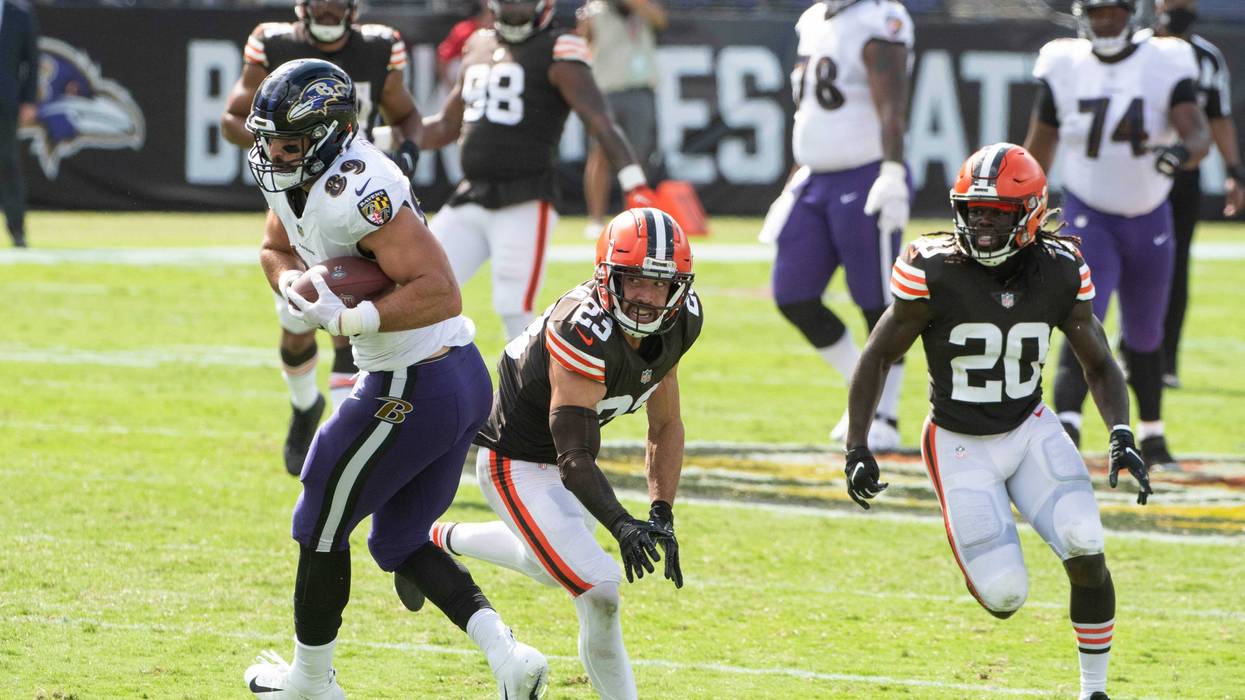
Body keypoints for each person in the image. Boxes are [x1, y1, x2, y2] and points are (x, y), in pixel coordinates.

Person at [239, 59, 547, 700]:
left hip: (417, 380)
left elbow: (443, 290)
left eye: (288, 143)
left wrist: (350, 316)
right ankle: (509, 655)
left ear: (327, 135)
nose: (274, 155)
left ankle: (310, 683)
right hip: (450, 380)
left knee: (320, 512)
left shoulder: (361, 187)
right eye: (268, 142)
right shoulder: (296, 173)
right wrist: (293, 288)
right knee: (398, 538)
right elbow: (275, 247)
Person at [844, 143, 1153, 700]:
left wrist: (1121, 432)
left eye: (998, 212)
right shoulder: (932, 269)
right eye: (975, 209)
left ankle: (1095, 690)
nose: (983, 223)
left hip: (1030, 427)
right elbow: (876, 354)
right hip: (960, 443)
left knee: (1086, 544)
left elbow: (1100, 362)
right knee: (1006, 597)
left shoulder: (1061, 269)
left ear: (1029, 213)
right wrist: (857, 445)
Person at [427, 207, 698, 699]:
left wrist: (662, 514)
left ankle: (437, 538)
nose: (646, 297)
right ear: (606, 277)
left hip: (566, 461)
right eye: (634, 281)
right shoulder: (581, 327)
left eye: (661, 284)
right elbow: (573, 457)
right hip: (516, 458)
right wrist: (621, 524)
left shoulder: (682, 320)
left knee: (547, 566)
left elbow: (666, 423)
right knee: (599, 591)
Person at [221, 0, 426, 476]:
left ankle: (340, 444)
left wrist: (408, 154)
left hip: (356, 200)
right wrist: (281, 148)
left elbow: (407, 115)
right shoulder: (274, 42)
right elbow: (233, 117)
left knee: (349, 320)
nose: (330, 7)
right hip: (299, 192)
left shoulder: (379, 46)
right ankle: (304, 407)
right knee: (296, 325)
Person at [1022, 0, 1211, 469]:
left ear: (1134, 14)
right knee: (1085, 315)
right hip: (1088, 211)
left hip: (1149, 213)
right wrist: (1020, 199)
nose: (1104, 21)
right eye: (1097, 11)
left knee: (1147, 330)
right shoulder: (1064, 62)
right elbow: (1039, 144)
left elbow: (1198, 133)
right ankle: (1067, 425)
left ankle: (1152, 435)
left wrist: (1180, 152)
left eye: (1113, 12)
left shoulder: (1166, 59)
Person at [418, 0, 660, 342]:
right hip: (470, 195)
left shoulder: (559, 47)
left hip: (526, 197)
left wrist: (633, 182)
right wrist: (385, 138)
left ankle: (526, 393)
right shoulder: (478, 43)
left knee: (514, 306)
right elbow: (445, 126)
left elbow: (600, 120)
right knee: (420, 284)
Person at [758, 0, 914, 451]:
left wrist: (892, 171)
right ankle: (862, 386)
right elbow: (812, 114)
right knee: (794, 294)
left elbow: (893, 104)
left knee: (880, 304)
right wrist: (794, 180)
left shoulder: (878, 19)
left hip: (865, 173)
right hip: (814, 177)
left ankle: (884, 412)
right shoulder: (812, 20)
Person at [1129, 0, 1245, 389]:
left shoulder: (1206, 59)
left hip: (1182, 175)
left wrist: (1234, 171)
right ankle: (1125, 349)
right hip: (1137, 172)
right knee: (1126, 262)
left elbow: (1219, 117)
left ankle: (1165, 360)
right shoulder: (1135, 48)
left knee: (1174, 268)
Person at [577, 0, 666, 239]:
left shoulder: (641, 8)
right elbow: (581, 43)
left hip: (640, 90)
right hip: (605, 92)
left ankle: (636, 218)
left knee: (638, 156)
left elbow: (660, 19)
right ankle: (595, 218)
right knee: (600, 155)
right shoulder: (594, 11)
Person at [0, 0, 39, 248]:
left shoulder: (20, 13)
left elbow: (32, 60)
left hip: (6, 102)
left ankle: (17, 230)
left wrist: (29, 100)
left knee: (8, 162)